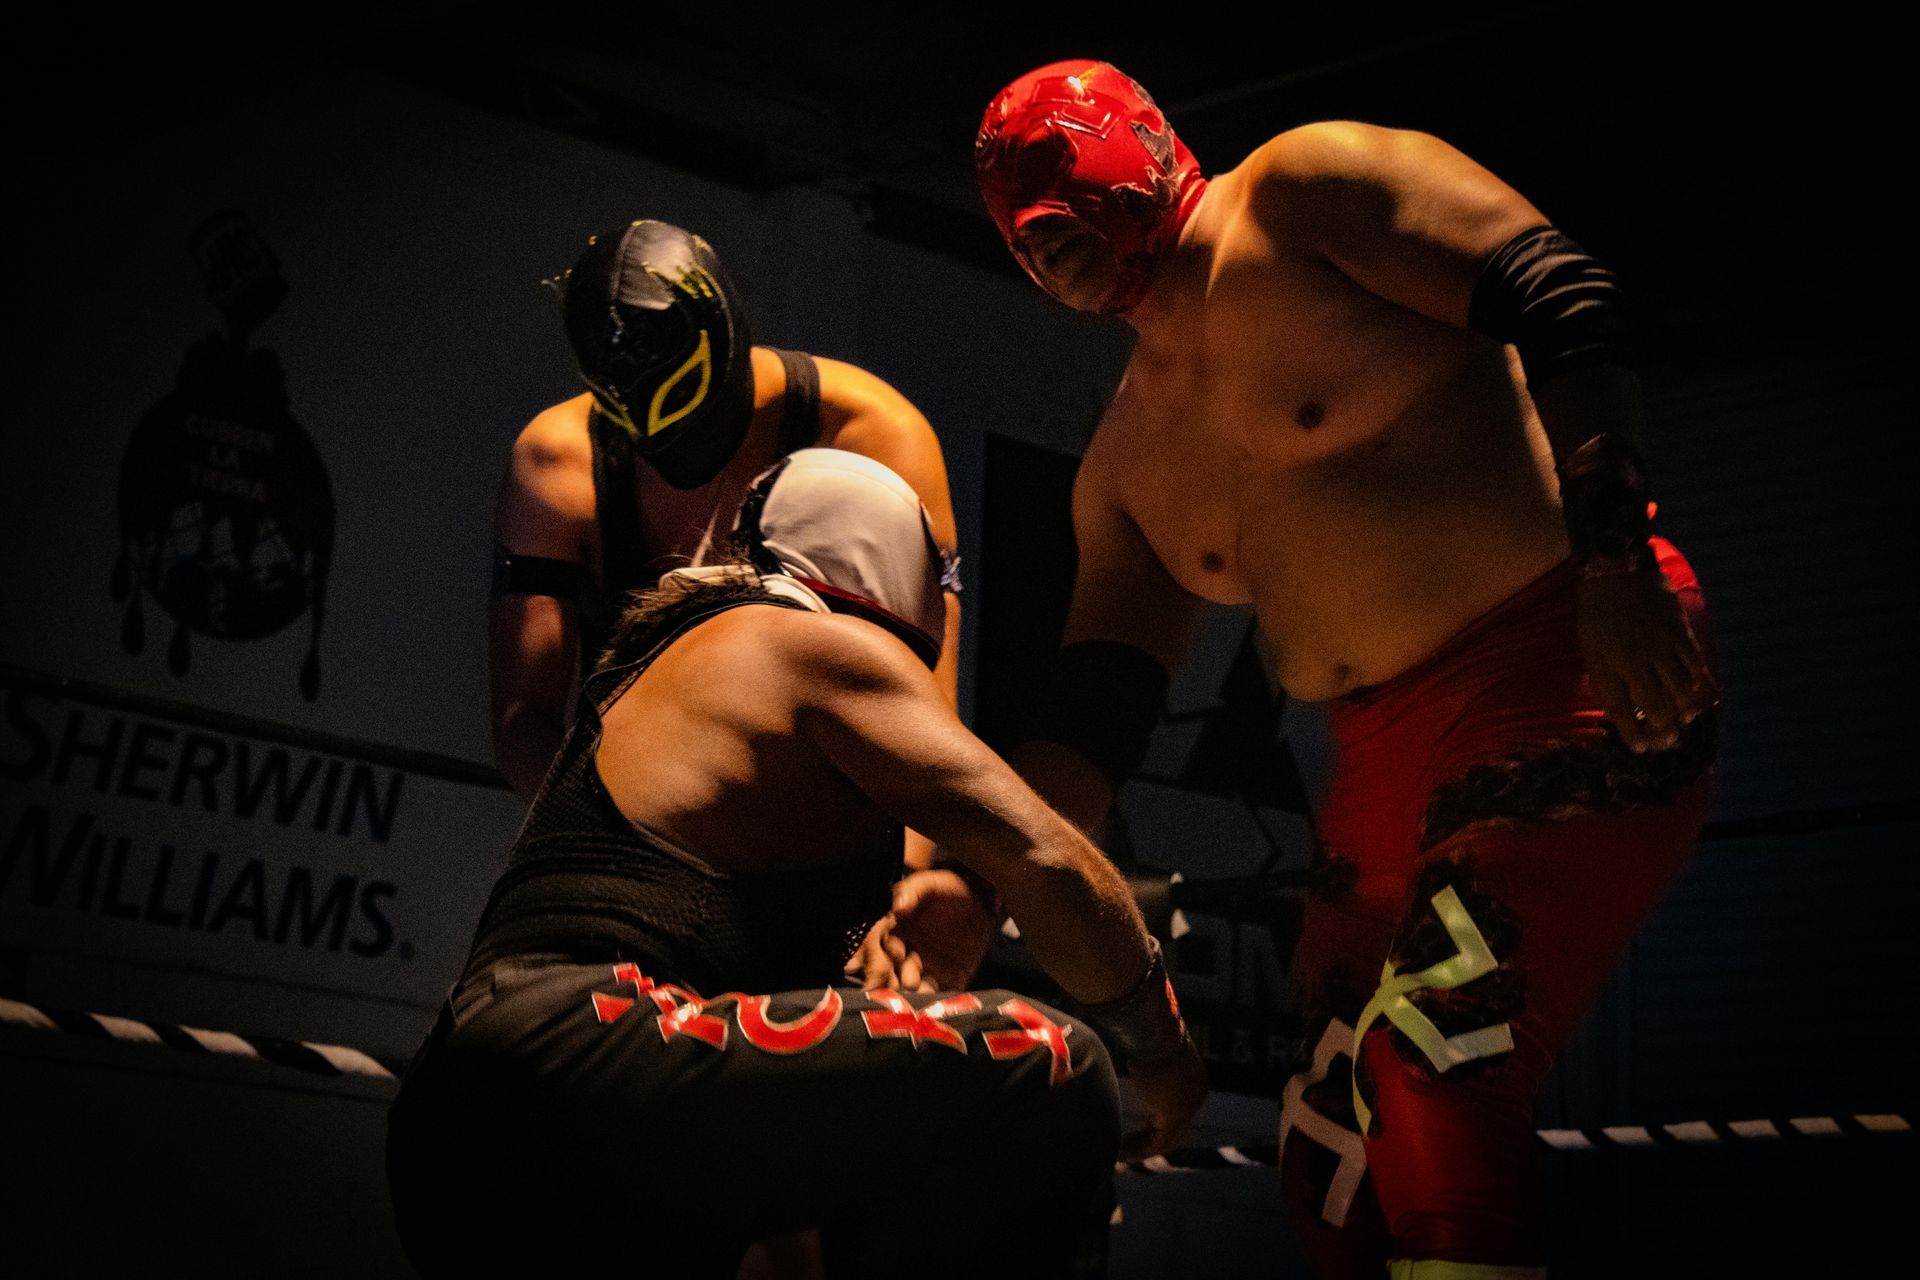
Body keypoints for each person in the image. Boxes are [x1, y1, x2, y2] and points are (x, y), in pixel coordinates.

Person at [976, 61, 1720, 1278]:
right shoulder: (1124, 463)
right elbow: (1097, 709)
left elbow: (1558, 290)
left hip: (1554, 665)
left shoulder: (1306, 195)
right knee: (1328, 1147)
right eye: (1022, 235)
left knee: (1433, 1067)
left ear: (1131, 148)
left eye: (1055, 204)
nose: (1045, 249)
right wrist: (972, 870)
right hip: (1377, 763)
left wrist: (1613, 555)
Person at [391, 449, 1206, 1277]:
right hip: (566, 1066)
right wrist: (1160, 1047)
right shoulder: (805, 642)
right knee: (1047, 1058)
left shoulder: (686, 672)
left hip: (494, 1126)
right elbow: (1047, 858)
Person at [490, 220, 962, 813]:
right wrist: (618, 830)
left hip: (826, 805)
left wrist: (910, 871)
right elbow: (523, 724)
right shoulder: (560, 461)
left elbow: (926, 708)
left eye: (684, 398)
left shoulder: (870, 432)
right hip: (633, 795)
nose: (675, 449)